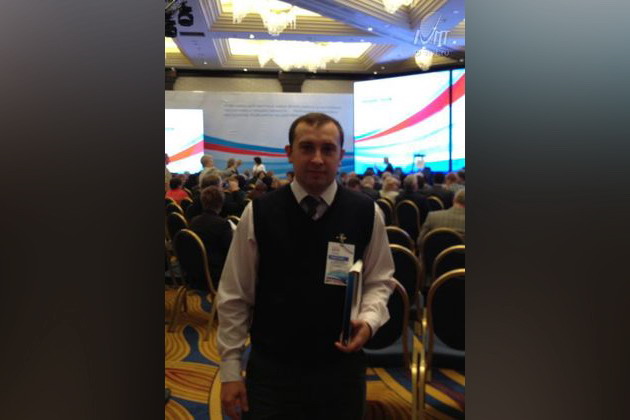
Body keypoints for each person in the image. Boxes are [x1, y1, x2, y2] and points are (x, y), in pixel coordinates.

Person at [216, 112, 395, 420]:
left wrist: (368, 321)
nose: (317, 159)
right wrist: (230, 369)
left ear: (341, 155)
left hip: (340, 369)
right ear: (289, 153)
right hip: (273, 371)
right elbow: (235, 295)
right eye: (307, 147)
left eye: (328, 149)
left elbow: (380, 280)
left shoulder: (367, 212)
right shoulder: (258, 213)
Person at [188, 186, 233, 289]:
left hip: (194, 270)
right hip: (215, 273)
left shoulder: (194, 221)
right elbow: (230, 251)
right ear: (221, 203)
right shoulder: (222, 224)